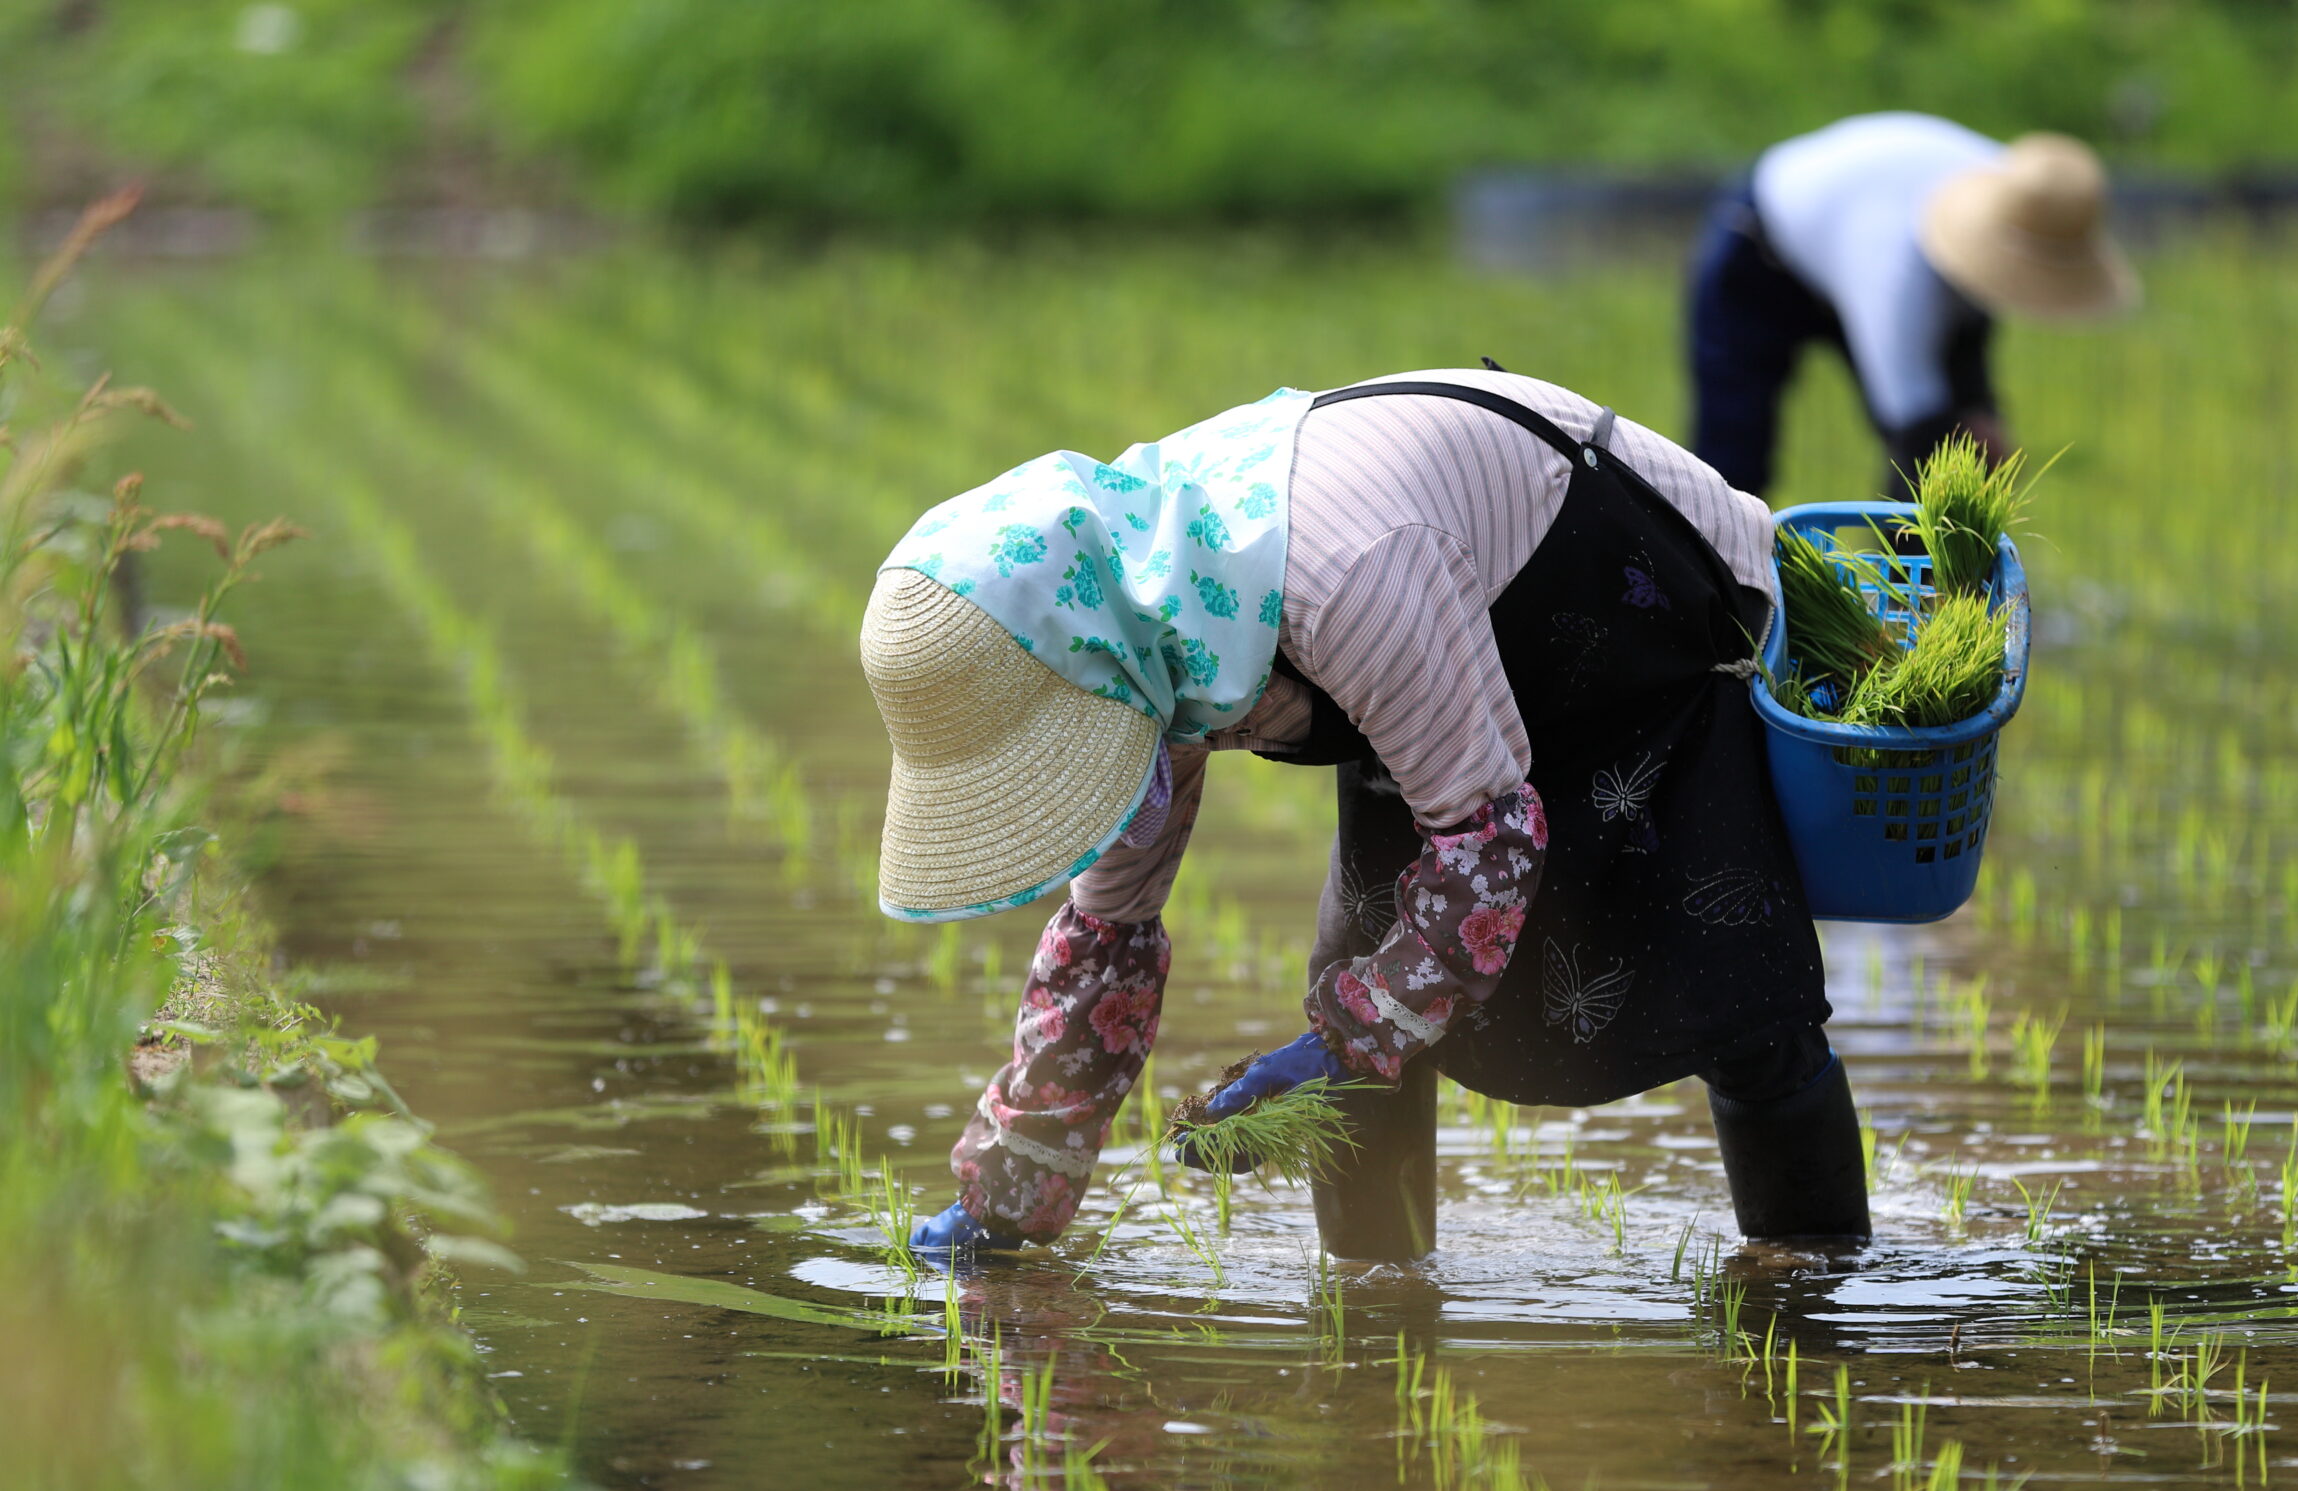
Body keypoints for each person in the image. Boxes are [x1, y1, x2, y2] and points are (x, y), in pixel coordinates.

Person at [860, 367, 1867, 1257]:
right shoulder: (1137, 635)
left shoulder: (1341, 583)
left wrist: (1342, 1044)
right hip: (1443, 639)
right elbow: (1107, 934)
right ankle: (1378, 1306)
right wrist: (1011, 1190)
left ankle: (1815, 1278)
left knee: (1729, 973)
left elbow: (1484, 853)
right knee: (1364, 963)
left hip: (1621, 599)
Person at [1685, 114, 2138, 499]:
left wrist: (1978, 414)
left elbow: (1965, 321)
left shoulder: (2036, 197)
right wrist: (1957, 433)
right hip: (1763, 248)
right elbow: (1911, 418)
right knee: (1732, 466)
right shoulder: (1894, 267)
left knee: (1966, 453)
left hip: (1872, 237)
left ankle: (1920, 593)